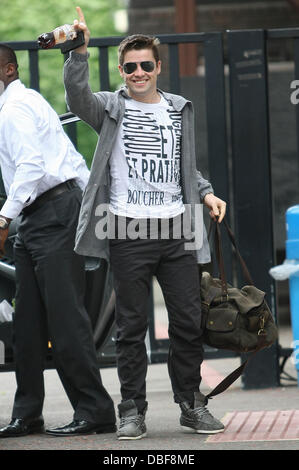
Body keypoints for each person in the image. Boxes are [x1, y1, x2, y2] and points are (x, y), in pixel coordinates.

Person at [64, 6, 227, 440]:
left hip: (176, 230)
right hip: (129, 230)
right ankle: (131, 410)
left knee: (189, 322)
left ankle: (191, 405)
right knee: (131, 327)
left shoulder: (177, 109)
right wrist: (78, 52)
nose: (138, 72)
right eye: (130, 66)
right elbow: (75, 97)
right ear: (121, 70)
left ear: (158, 67)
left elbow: (182, 165)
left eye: (145, 65)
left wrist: (207, 191)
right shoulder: (109, 107)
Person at [0, 44, 116, 438]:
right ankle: (28, 412)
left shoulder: (15, 107)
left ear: (9, 69)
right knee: (27, 325)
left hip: (52, 213)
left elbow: (33, 165)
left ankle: (96, 411)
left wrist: (4, 217)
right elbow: (67, 159)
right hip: (41, 216)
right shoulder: (20, 103)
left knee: (66, 320)